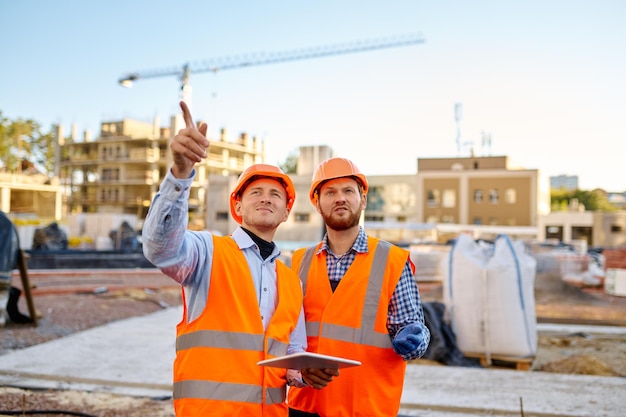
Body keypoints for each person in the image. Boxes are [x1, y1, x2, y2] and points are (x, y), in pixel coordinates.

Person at [142, 101, 335, 416]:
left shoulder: (290, 281)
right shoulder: (208, 253)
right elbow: (160, 249)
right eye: (255, 192)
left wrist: (304, 373)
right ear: (238, 208)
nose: (265, 198)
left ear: (287, 212)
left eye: (275, 195)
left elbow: (292, 353)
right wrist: (180, 174)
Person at [287, 157, 431, 417]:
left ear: (362, 200)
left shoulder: (392, 260)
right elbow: (284, 335)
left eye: (348, 191)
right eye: (330, 192)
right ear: (317, 203)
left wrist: (415, 338)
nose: (339, 198)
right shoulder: (298, 262)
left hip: (367, 407)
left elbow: (412, 333)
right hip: (305, 406)